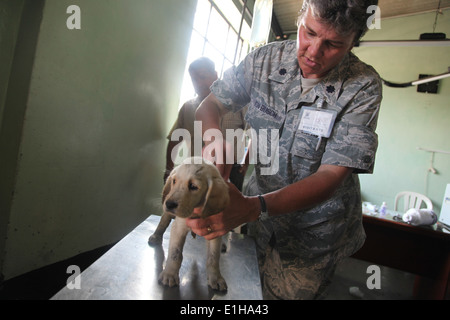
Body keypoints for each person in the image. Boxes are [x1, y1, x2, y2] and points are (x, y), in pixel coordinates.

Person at [187, 0, 383, 299]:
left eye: (333, 44)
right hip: (257, 222)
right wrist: (215, 140)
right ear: (301, 14)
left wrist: (254, 207)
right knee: (245, 294)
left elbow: (332, 174)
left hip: (312, 236)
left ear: (354, 41)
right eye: (309, 32)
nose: (313, 52)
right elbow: (210, 104)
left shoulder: (363, 86)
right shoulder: (265, 60)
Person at [164, 57, 248, 187]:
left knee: (226, 207)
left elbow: (254, 133)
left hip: (230, 171)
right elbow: (174, 139)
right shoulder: (187, 107)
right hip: (194, 170)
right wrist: (168, 169)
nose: (198, 83)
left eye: (203, 77)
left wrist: (245, 162)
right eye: (194, 79)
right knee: (194, 206)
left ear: (215, 75)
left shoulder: (237, 105)